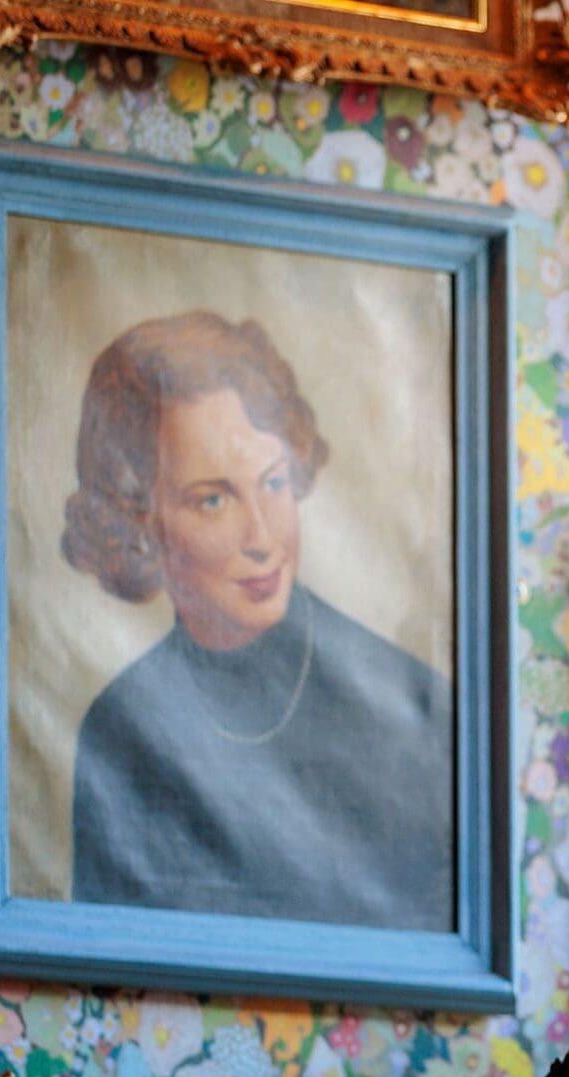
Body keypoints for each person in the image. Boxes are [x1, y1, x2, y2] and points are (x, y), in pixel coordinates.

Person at [58, 312, 453, 931]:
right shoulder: (117, 729)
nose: (262, 538)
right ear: (139, 519)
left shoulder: (414, 713)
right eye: (212, 500)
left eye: (273, 483)